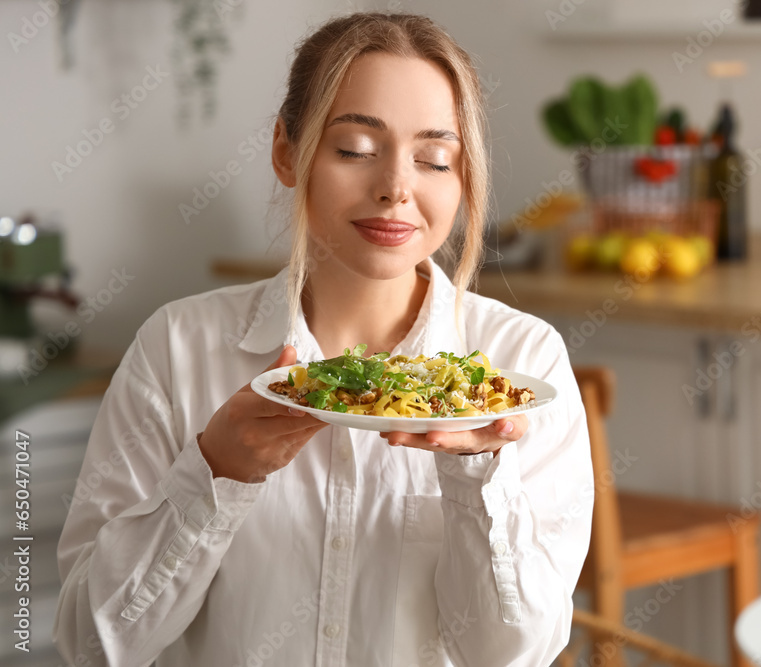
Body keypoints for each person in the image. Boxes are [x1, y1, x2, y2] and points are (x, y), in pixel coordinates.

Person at [53, 11, 594, 667]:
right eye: (356, 151)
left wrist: (476, 473)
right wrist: (214, 474)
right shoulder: (177, 347)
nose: (396, 186)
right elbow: (92, 643)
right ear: (287, 150)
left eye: (434, 158)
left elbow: (514, 652)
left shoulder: (522, 367)